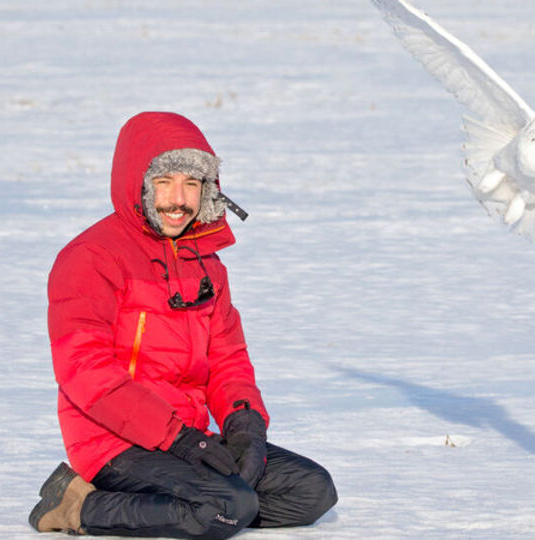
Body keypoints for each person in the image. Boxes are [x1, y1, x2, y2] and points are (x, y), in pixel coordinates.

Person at [29, 111, 337, 539]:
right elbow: (85, 371)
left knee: (311, 491)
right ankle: (78, 506)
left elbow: (228, 358)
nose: (179, 200)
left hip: (190, 437)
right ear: (137, 185)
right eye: (164, 182)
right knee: (226, 507)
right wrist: (178, 438)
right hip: (114, 441)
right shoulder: (91, 258)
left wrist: (244, 427)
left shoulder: (206, 264)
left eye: (192, 184)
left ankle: (187, 504)